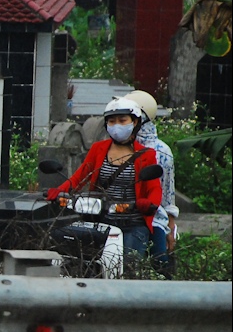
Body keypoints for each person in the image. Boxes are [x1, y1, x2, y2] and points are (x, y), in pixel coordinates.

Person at [46, 97, 163, 261]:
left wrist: (149, 204)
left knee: (128, 268)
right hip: (101, 220)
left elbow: (154, 188)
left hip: (132, 223)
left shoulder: (146, 155)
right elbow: (80, 177)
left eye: (122, 121)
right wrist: (59, 191)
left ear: (135, 122)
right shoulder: (98, 149)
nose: (117, 126)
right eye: (111, 121)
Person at [126, 90, 179, 277]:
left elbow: (167, 194)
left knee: (160, 268)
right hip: (118, 215)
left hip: (153, 218)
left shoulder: (161, 151)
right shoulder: (117, 146)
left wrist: (170, 229)